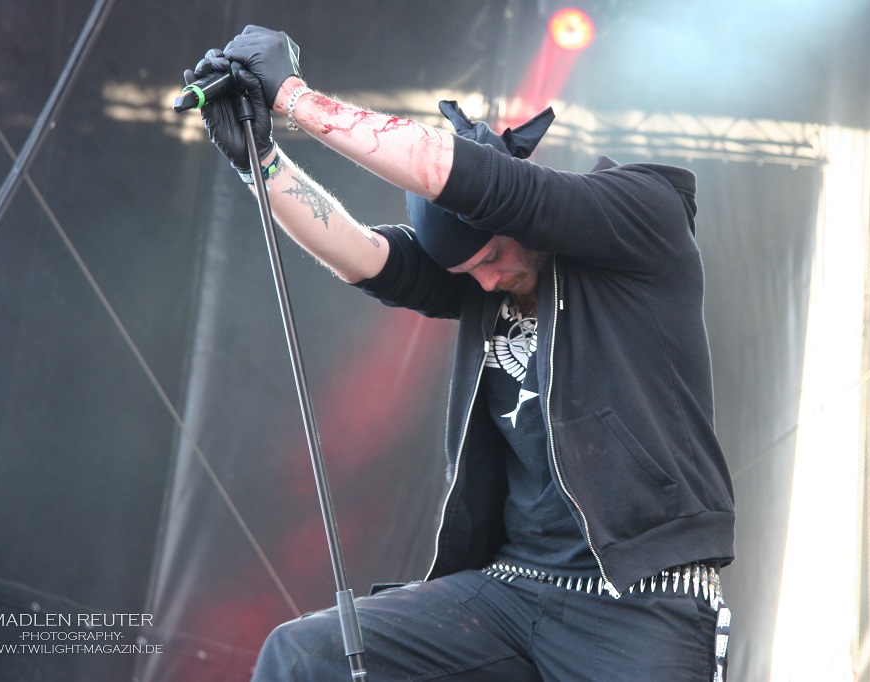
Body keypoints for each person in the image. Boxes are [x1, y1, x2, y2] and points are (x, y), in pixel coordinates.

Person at [186, 24, 735, 682]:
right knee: (303, 655)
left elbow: (471, 179)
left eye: (493, 256)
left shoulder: (638, 219)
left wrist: (294, 98)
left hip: (643, 599)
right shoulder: (483, 285)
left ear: (516, 220)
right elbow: (362, 254)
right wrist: (261, 162)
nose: (486, 280)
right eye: (468, 271)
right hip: (510, 591)